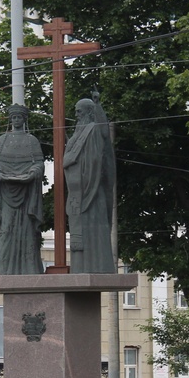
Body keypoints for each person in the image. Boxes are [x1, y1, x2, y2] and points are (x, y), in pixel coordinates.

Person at [0, 104, 45, 275]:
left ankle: (29, 268)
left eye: (19, 117)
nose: (16, 120)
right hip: (5, 194)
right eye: (14, 117)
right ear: (11, 120)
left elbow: (39, 164)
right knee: (5, 230)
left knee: (27, 234)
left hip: (26, 195)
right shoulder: (2, 140)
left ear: (24, 119)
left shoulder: (31, 140)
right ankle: (2, 268)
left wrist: (32, 174)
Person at [62, 97, 116, 273]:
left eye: (79, 111)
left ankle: (98, 266)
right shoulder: (79, 131)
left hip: (92, 189)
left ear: (89, 112)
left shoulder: (93, 129)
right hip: (79, 190)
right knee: (82, 233)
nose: (76, 115)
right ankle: (81, 267)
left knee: (95, 231)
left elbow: (103, 136)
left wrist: (99, 104)